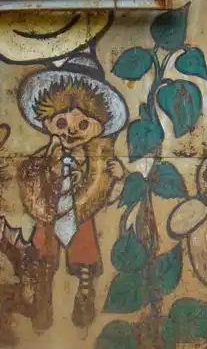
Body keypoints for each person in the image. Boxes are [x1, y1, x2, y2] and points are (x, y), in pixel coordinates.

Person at [17, 53, 127, 331]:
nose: (72, 132)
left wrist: (116, 178)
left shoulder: (96, 162)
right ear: (48, 122)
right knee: (43, 247)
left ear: (98, 126)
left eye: (83, 124)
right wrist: (49, 167)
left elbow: (104, 196)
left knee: (84, 246)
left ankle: (85, 290)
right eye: (62, 123)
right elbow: (31, 183)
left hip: (81, 211)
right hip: (49, 211)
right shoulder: (46, 156)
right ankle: (42, 292)